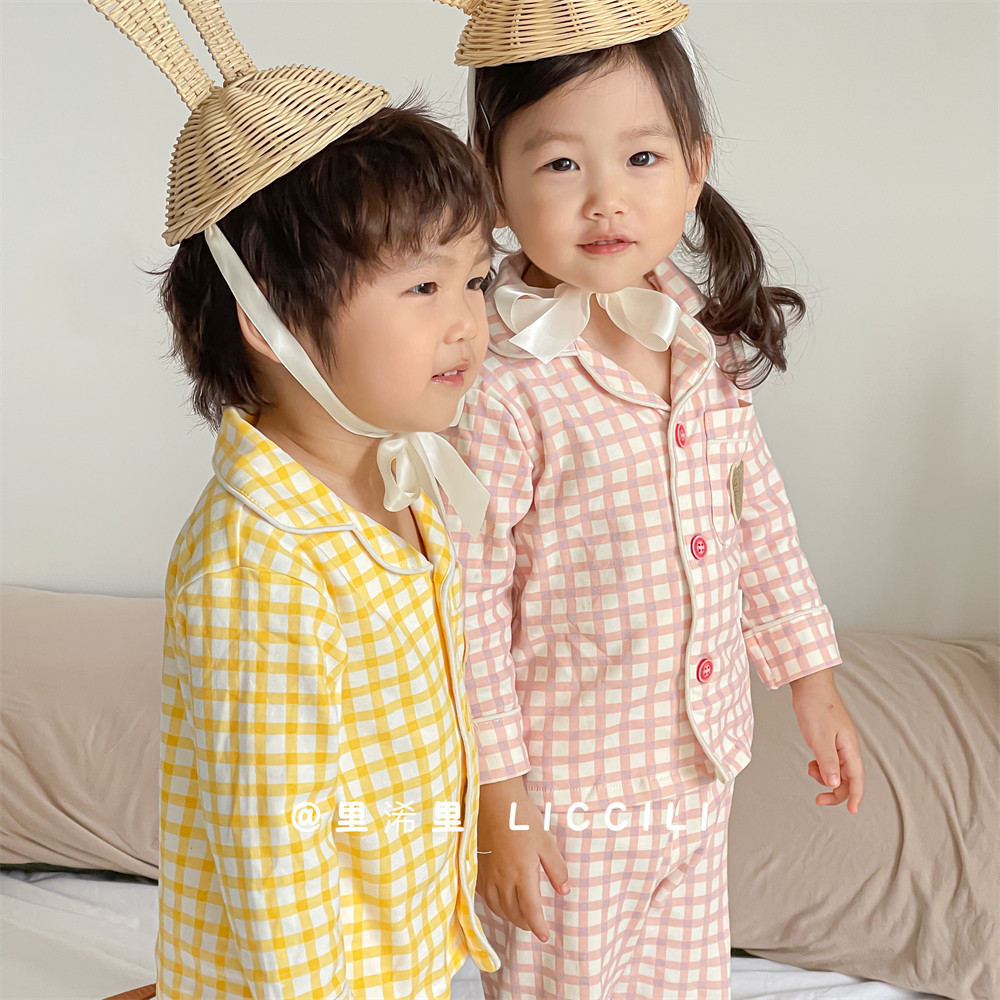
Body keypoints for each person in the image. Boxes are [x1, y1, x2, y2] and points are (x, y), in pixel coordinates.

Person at [431, 1, 866, 997]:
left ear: (694, 167)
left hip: (699, 771)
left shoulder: (699, 339)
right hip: (568, 796)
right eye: (559, 164)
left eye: (640, 158)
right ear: (492, 184)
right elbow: (465, 601)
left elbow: (756, 517)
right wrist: (501, 796)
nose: (605, 201)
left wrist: (812, 679)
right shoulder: (502, 383)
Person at [86, 1, 501, 997]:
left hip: (401, 955)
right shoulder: (261, 562)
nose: (467, 323)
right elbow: (275, 859)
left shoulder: (397, 478)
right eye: (424, 288)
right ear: (269, 320)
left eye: (478, 280)